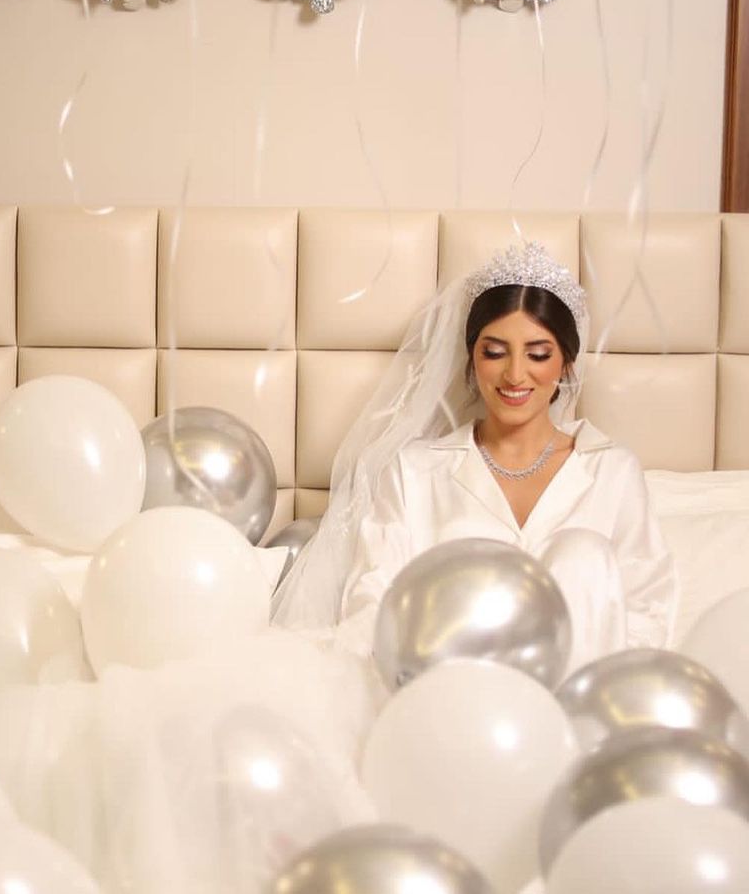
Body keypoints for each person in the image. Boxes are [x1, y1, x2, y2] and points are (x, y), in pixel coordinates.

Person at [271, 240, 678, 672]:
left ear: (565, 364)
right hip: (450, 687)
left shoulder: (611, 470)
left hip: (580, 695)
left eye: (538, 354)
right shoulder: (414, 472)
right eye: (495, 352)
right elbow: (374, 604)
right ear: (471, 359)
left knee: (583, 556)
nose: (515, 374)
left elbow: (647, 609)